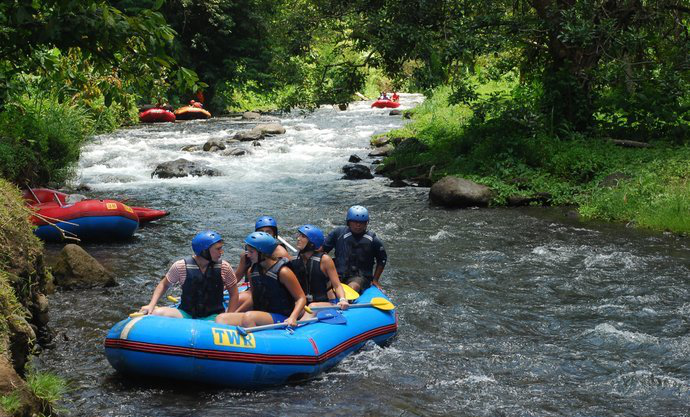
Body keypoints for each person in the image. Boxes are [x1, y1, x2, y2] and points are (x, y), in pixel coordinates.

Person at [138, 231, 239, 319]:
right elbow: (164, 284)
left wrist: (229, 316)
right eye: (218, 249)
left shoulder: (224, 267)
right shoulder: (180, 266)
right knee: (157, 313)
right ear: (204, 251)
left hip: (214, 316)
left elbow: (234, 294)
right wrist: (152, 304)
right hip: (186, 314)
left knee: (222, 319)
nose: (221, 252)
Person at [215, 232, 306, 328]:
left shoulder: (283, 272)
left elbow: (301, 298)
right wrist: (235, 313)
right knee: (222, 318)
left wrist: (293, 317)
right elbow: (253, 298)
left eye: (251, 252)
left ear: (263, 253)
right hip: (261, 315)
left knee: (249, 317)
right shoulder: (252, 271)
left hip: (282, 316)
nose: (248, 256)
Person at [322, 206, 387, 294]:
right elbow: (322, 251)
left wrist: (375, 280)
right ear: (349, 222)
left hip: (360, 277)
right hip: (338, 274)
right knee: (325, 289)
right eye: (355, 222)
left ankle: (346, 301)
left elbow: (382, 260)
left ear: (366, 223)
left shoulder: (373, 239)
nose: (358, 225)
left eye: (362, 222)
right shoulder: (338, 233)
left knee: (353, 287)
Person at [233, 216, 292, 312]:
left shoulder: (281, 254)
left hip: (276, 295)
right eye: (261, 231)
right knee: (237, 300)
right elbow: (237, 277)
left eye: (268, 232)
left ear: (274, 235)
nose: (264, 234)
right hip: (255, 290)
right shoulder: (248, 255)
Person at [289, 225, 349, 313]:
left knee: (313, 306)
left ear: (312, 243)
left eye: (303, 236)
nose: (298, 238)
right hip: (303, 304)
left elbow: (337, 285)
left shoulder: (325, 260)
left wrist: (343, 299)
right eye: (299, 235)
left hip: (321, 303)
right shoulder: (293, 260)